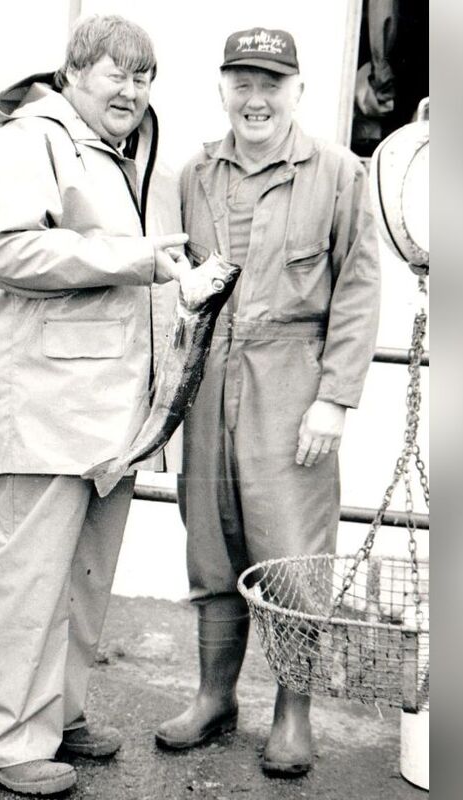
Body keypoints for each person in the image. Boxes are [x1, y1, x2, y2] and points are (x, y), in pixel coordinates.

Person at [0, 15, 204, 796]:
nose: (132, 91)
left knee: (81, 579)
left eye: (144, 77)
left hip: (102, 412)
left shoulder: (113, 149)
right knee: (24, 580)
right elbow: (13, 249)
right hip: (42, 408)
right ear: (72, 73)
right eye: (116, 75)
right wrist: (141, 259)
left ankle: (55, 717)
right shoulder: (28, 143)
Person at [155, 27, 381, 776]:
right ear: (222, 88)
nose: (256, 98)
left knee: (292, 556)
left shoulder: (340, 174)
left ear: (298, 92)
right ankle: (215, 698)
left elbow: (356, 290)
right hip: (210, 377)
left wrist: (335, 400)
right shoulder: (193, 172)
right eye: (242, 82)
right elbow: (179, 284)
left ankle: (293, 715)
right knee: (210, 541)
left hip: (292, 382)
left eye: (272, 84)